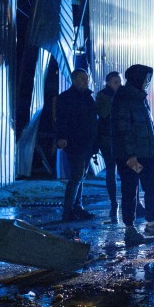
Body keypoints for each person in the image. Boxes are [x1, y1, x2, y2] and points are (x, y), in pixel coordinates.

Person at [112, 64, 154, 244]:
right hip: (131, 155)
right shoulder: (124, 97)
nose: (148, 82)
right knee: (130, 190)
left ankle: (150, 223)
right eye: (146, 78)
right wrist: (130, 155)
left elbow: (146, 125)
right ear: (138, 78)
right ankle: (130, 228)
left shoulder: (140, 97)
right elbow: (123, 128)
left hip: (145, 153)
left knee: (153, 186)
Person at [55, 68, 99, 222]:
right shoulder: (66, 98)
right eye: (82, 79)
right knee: (76, 176)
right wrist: (61, 137)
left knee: (80, 176)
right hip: (75, 142)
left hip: (87, 142)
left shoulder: (88, 97)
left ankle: (76, 207)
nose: (85, 81)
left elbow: (93, 120)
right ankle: (69, 210)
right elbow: (61, 120)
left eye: (86, 79)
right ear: (74, 80)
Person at [95, 70, 122, 223]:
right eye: (115, 82)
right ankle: (114, 202)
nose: (118, 84)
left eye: (119, 81)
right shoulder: (103, 96)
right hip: (108, 138)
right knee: (111, 170)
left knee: (126, 170)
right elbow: (104, 114)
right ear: (109, 83)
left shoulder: (121, 95)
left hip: (120, 137)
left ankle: (131, 202)